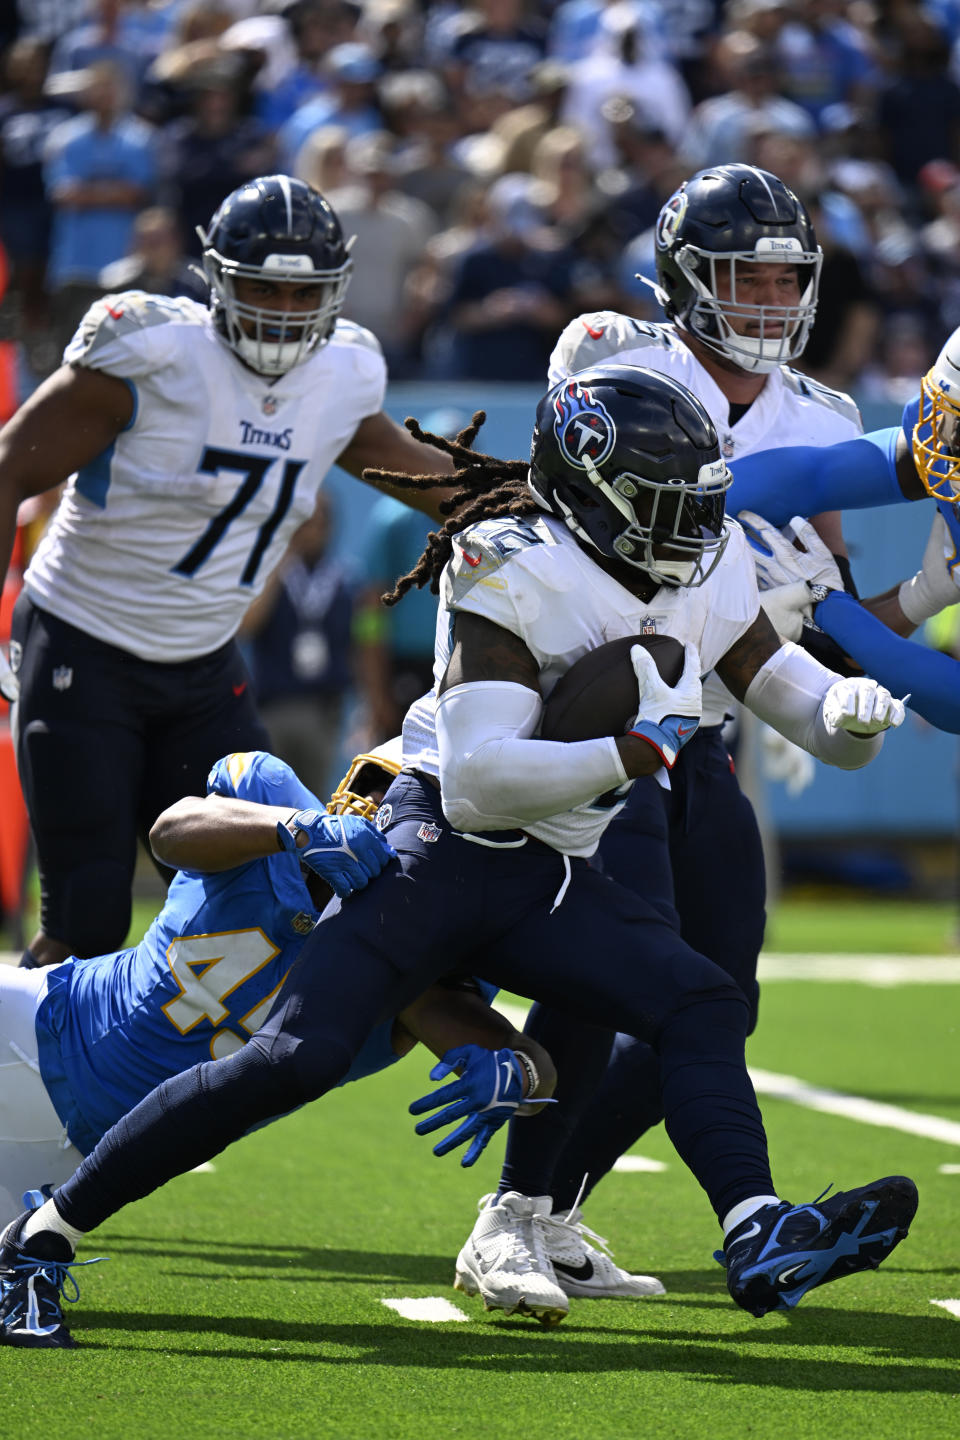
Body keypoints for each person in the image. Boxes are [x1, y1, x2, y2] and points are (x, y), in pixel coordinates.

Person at [0, 368, 914, 1349]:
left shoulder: (707, 561)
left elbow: (779, 683)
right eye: (662, 501)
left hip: (547, 868)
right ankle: (37, 1246)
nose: (687, 525)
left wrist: (842, 716)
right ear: (592, 493)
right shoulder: (509, 560)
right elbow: (480, 780)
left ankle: (754, 1230)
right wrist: (631, 752)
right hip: (435, 845)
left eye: (698, 500)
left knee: (701, 999)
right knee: (295, 1056)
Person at [490, 163, 865, 1249]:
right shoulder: (615, 356)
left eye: (786, 280)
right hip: (605, 717)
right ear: (686, 277)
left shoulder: (821, 415)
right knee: (603, 981)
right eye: (745, 277)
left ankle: (554, 1209)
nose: (769, 302)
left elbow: (830, 606)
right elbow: (555, 522)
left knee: (717, 1000)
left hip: (710, 727)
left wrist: (871, 629)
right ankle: (512, 1214)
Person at [0, 173, 453, 972]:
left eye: (300, 294)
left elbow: (430, 482)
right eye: (262, 290)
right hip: (83, 642)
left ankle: (195, 1081)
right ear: (217, 280)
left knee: (273, 895)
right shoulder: (149, 355)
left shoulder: (342, 374)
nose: (282, 313)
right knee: (89, 914)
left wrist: (533, 499)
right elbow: (9, 468)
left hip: (203, 665)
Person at [0, 742, 555, 1229]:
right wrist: (290, 828)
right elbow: (169, 831)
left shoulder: (413, 959)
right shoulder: (270, 808)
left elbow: (530, 1063)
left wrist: (520, 1076)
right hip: (39, 1023)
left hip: (82, 1161)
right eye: (377, 787)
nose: (375, 807)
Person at [725, 321, 960, 732]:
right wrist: (689, 502)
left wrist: (827, 606)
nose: (951, 445)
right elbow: (812, 476)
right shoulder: (946, 445)